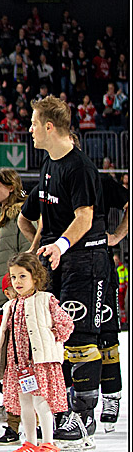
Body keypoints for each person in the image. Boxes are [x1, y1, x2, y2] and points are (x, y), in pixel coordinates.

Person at [18, 96, 110, 451]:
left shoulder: (79, 167)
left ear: (49, 127)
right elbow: (37, 219)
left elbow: (84, 217)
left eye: (33, 123)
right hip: (56, 259)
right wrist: (36, 250)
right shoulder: (48, 163)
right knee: (54, 337)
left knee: (81, 337)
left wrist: (60, 245)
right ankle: (63, 410)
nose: (29, 129)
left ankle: (84, 417)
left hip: (85, 260)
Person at [0, 253, 74, 452]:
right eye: (13, 277)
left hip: (39, 364)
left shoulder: (46, 300)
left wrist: (52, 339)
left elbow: (66, 324)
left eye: (22, 276)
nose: (17, 282)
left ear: (35, 277)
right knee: (25, 404)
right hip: (19, 366)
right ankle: (29, 442)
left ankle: (48, 442)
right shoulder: (11, 305)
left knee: (41, 403)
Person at [0, 168, 32, 438]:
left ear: (11, 187)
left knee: (16, 357)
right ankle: (9, 403)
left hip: (12, 297)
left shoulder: (20, 217)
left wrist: (15, 287)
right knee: (4, 355)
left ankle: (19, 407)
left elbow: (25, 257)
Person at [97, 175, 128, 433]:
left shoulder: (101, 181)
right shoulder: (52, 176)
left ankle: (111, 397)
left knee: (107, 337)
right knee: (68, 339)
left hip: (100, 265)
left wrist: (117, 236)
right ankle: (74, 401)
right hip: (64, 266)